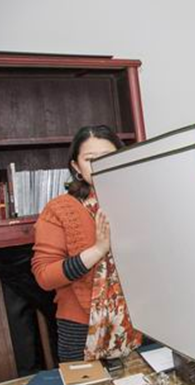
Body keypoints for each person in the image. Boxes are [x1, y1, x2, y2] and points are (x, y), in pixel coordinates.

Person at [32, 125, 142, 362]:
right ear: (76, 166)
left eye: (108, 157)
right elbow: (45, 276)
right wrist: (98, 250)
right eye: (91, 159)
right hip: (81, 329)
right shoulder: (59, 209)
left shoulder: (138, 202)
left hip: (140, 322)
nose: (100, 165)